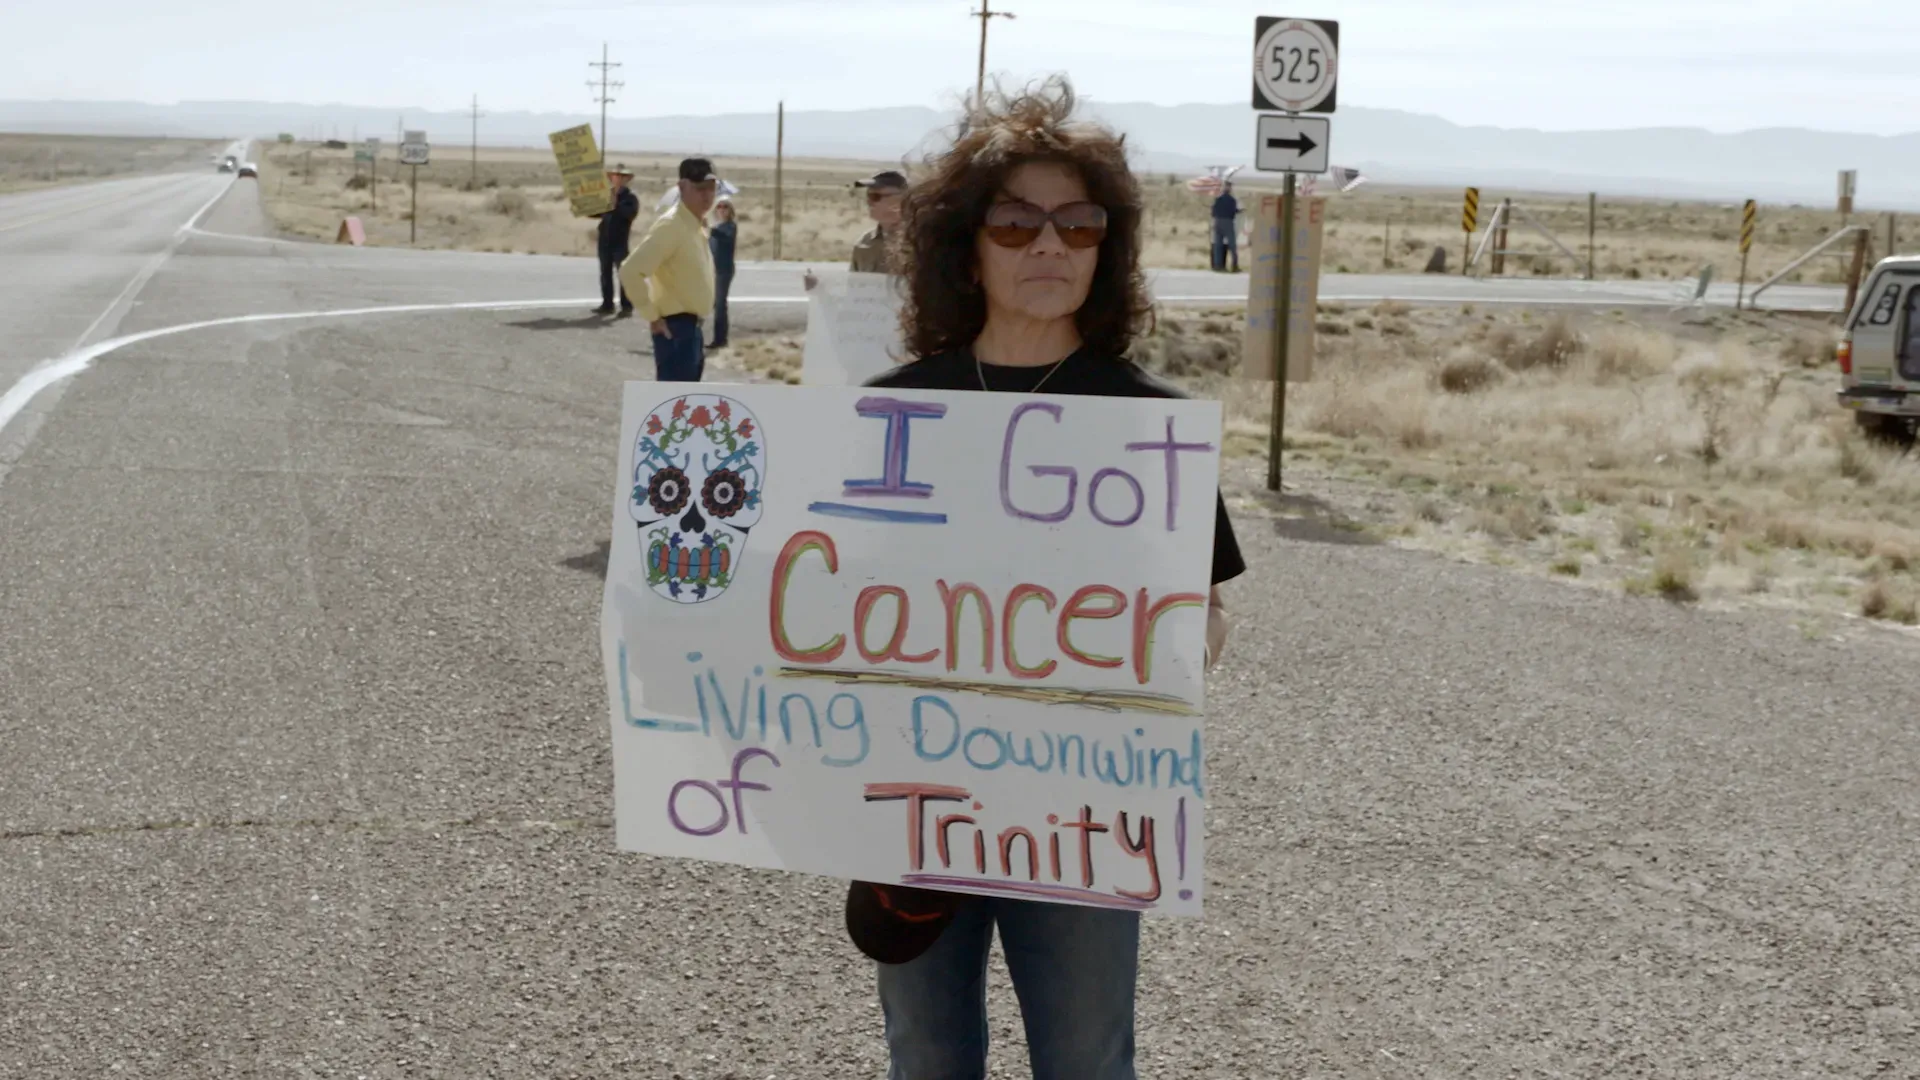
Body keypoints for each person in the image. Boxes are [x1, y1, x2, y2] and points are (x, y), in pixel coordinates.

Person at [847, 75, 1246, 1080]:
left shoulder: (1148, 422)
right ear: (967, 248)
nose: (1050, 247)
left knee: (1085, 1059)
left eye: (1078, 224)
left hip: (1084, 811)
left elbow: (1205, 614)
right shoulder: (893, 409)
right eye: (1017, 223)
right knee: (927, 1055)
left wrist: (1162, 647)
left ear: (1106, 249)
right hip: (916, 794)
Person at [619, 157, 721, 382]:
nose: (707, 196)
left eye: (711, 189)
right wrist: (652, 317)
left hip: (692, 330)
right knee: (675, 409)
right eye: (699, 188)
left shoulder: (695, 226)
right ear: (682, 187)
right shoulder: (671, 226)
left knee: (684, 408)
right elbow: (630, 271)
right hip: (675, 330)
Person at [803, 168, 908, 290]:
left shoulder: (921, 242)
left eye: (875, 196)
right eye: (868, 196)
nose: (869, 202)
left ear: (901, 198)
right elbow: (854, 296)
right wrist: (819, 289)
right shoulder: (864, 243)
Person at [592, 163, 641, 316]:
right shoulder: (606, 195)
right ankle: (607, 304)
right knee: (605, 273)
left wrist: (614, 203)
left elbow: (629, 214)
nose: (617, 179)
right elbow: (597, 213)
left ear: (626, 179)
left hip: (620, 240)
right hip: (605, 239)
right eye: (615, 176)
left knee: (624, 273)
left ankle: (626, 306)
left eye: (621, 176)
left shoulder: (630, 198)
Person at [708, 195, 737, 349]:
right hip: (713, 269)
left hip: (724, 270)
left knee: (720, 305)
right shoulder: (717, 227)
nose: (722, 209)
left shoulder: (730, 226)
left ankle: (720, 339)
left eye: (725, 206)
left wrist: (710, 230)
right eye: (719, 206)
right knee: (712, 304)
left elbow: (726, 238)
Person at [1210, 181, 1239, 273]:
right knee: (1232, 245)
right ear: (1230, 188)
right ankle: (1234, 265)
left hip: (1217, 221)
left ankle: (1218, 265)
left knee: (1218, 245)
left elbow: (1213, 212)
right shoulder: (1232, 200)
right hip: (1227, 222)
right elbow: (1233, 213)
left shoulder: (1218, 199)